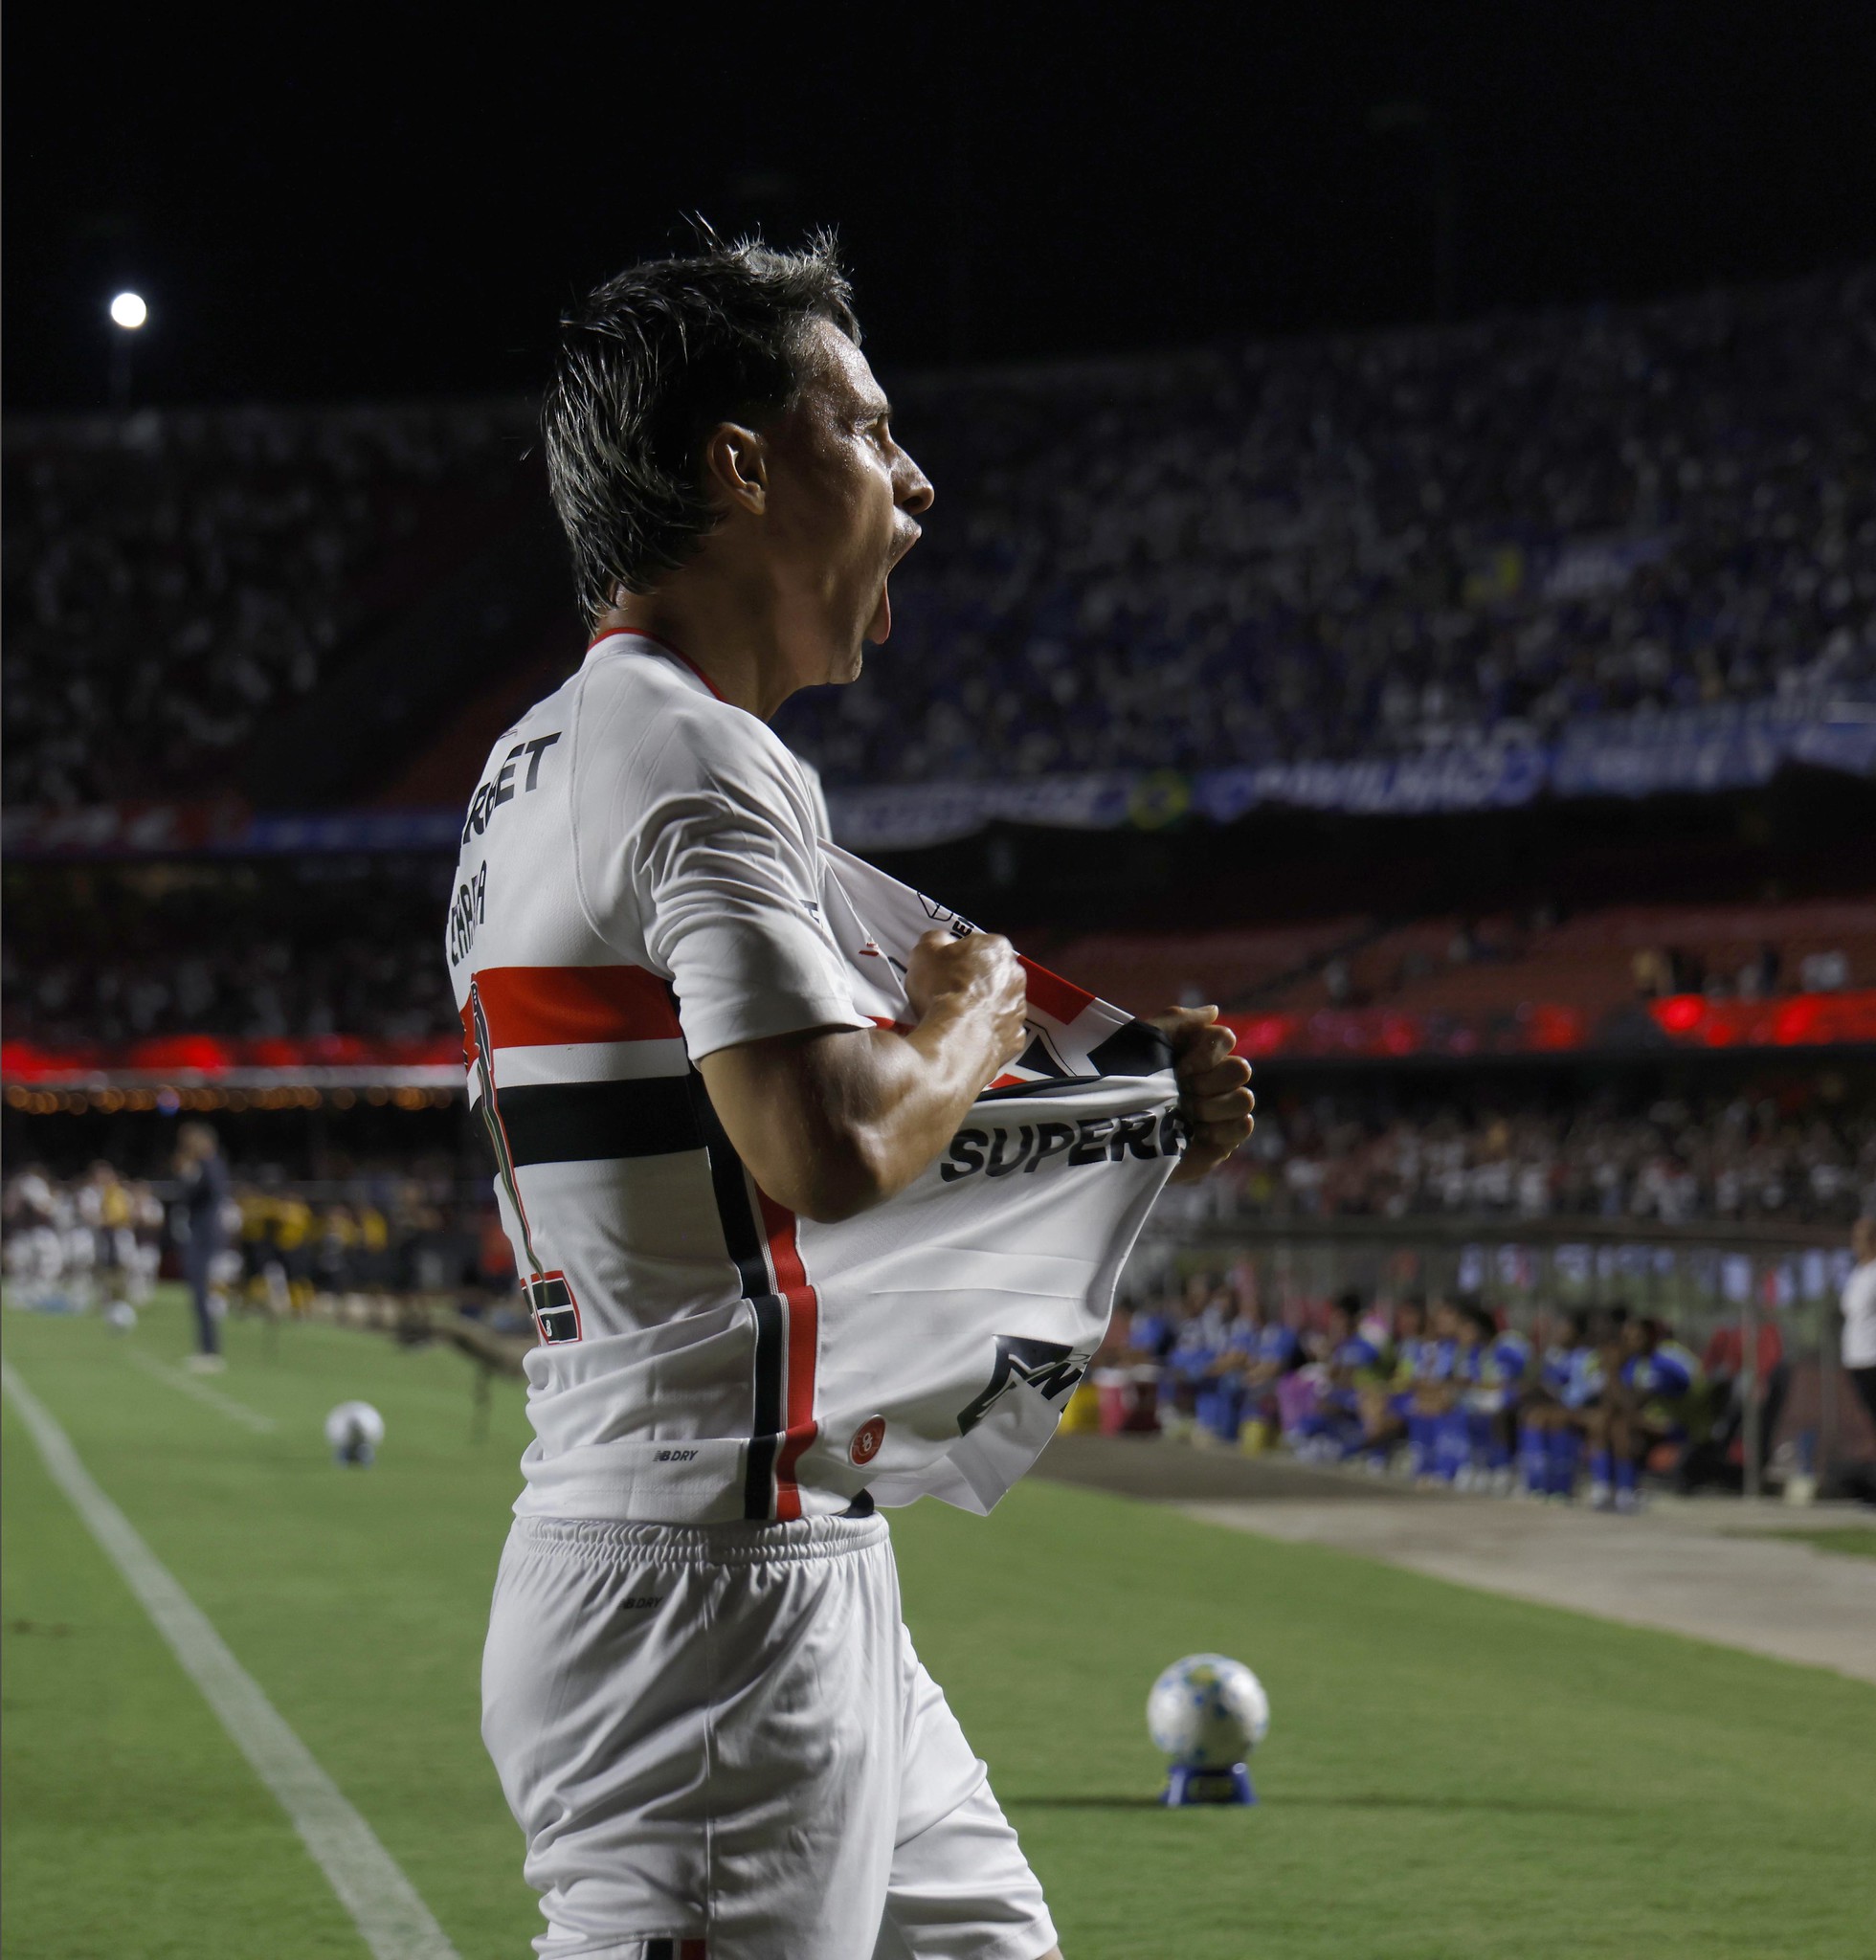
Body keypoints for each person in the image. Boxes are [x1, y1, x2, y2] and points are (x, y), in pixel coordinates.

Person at [462, 236, 1254, 1960]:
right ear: (741, 466)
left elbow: (726, 1152)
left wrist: (1102, 1102)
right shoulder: (689, 752)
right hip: (702, 1599)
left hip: (753, 1554)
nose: (916, 474)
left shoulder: (555, 756)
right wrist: (974, 1021)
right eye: (868, 425)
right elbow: (821, 1144)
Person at [173, 1122, 230, 1372]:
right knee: (199, 1294)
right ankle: (206, 1348)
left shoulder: (209, 1165)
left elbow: (204, 1195)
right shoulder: (206, 1166)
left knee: (203, 1294)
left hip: (205, 1238)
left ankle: (210, 1350)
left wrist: (187, 1174)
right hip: (202, 1236)